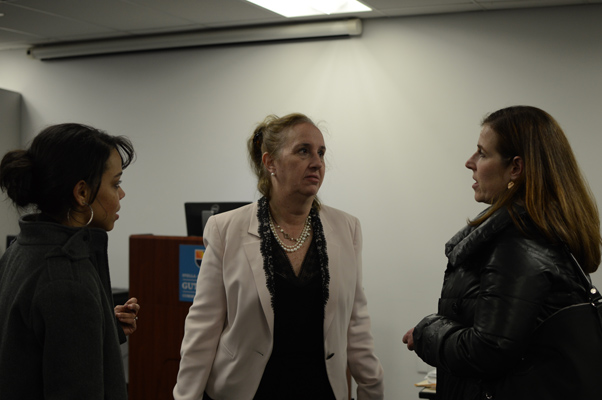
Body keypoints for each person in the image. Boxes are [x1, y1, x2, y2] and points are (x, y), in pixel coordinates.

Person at [174, 113, 384, 400]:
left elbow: (356, 325)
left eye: (321, 153)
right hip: (245, 391)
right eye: (303, 151)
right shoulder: (226, 229)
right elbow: (202, 328)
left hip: (320, 390)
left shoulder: (347, 229)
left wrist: (372, 390)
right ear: (270, 162)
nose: (317, 162)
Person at [402, 106, 602, 399]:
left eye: (482, 153)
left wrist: (426, 332)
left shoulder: (520, 243)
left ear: (516, 168)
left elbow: (487, 351)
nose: (470, 162)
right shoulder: (538, 234)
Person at [0, 123, 140, 399]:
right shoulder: (66, 280)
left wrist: (101, 325)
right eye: (116, 183)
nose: (121, 194)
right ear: (82, 193)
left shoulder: (21, 248)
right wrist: (81, 312)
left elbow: (27, 347)